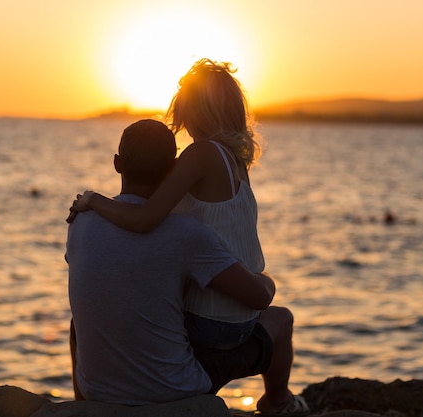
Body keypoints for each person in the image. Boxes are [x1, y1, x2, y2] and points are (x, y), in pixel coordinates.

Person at [66, 119, 308, 415]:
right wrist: (265, 280)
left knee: (81, 318)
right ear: (172, 170)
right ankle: (278, 403)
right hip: (171, 390)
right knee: (281, 320)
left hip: (99, 391)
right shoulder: (185, 233)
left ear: (118, 164)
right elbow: (258, 298)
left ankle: (83, 406)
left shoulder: (81, 221)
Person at [69, 58, 264, 350]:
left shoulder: (201, 154)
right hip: (245, 317)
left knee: (90, 322)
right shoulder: (236, 161)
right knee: (281, 321)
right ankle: (278, 398)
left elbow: (144, 219)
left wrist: (93, 200)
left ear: (194, 109)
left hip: (206, 320)